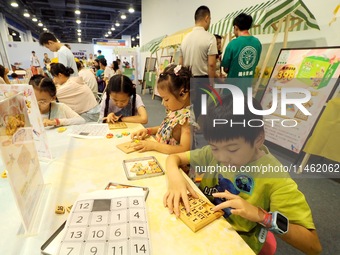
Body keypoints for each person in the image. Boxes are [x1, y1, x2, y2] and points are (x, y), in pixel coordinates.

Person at [163, 94, 322, 255]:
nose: (222, 157)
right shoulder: (214, 152)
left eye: (232, 149)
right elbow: (173, 158)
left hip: (238, 241)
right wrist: (176, 179)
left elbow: (313, 245)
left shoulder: (275, 177)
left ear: (258, 139)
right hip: (205, 225)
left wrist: (261, 216)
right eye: (214, 147)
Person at [130, 65, 192, 154]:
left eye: (166, 99)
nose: (163, 103)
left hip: (174, 164)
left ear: (183, 94)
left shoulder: (187, 119)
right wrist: (148, 130)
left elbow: (184, 150)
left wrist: (153, 146)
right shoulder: (176, 110)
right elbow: (167, 128)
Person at [179, 5, 217, 119]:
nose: (209, 22)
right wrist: (212, 83)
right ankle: (196, 133)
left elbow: (180, 63)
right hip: (202, 80)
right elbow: (211, 64)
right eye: (210, 19)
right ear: (206, 18)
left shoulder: (185, 38)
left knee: (187, 108)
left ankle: (189, 134)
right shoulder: (210, 38)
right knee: (200, 110)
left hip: (186, 79)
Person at [221, 13, 262, 94]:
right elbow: (255, 63)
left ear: (236, 27)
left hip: (231, 90)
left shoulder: (233, 44)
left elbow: (225, 69)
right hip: (247, 90)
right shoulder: (257, 43)